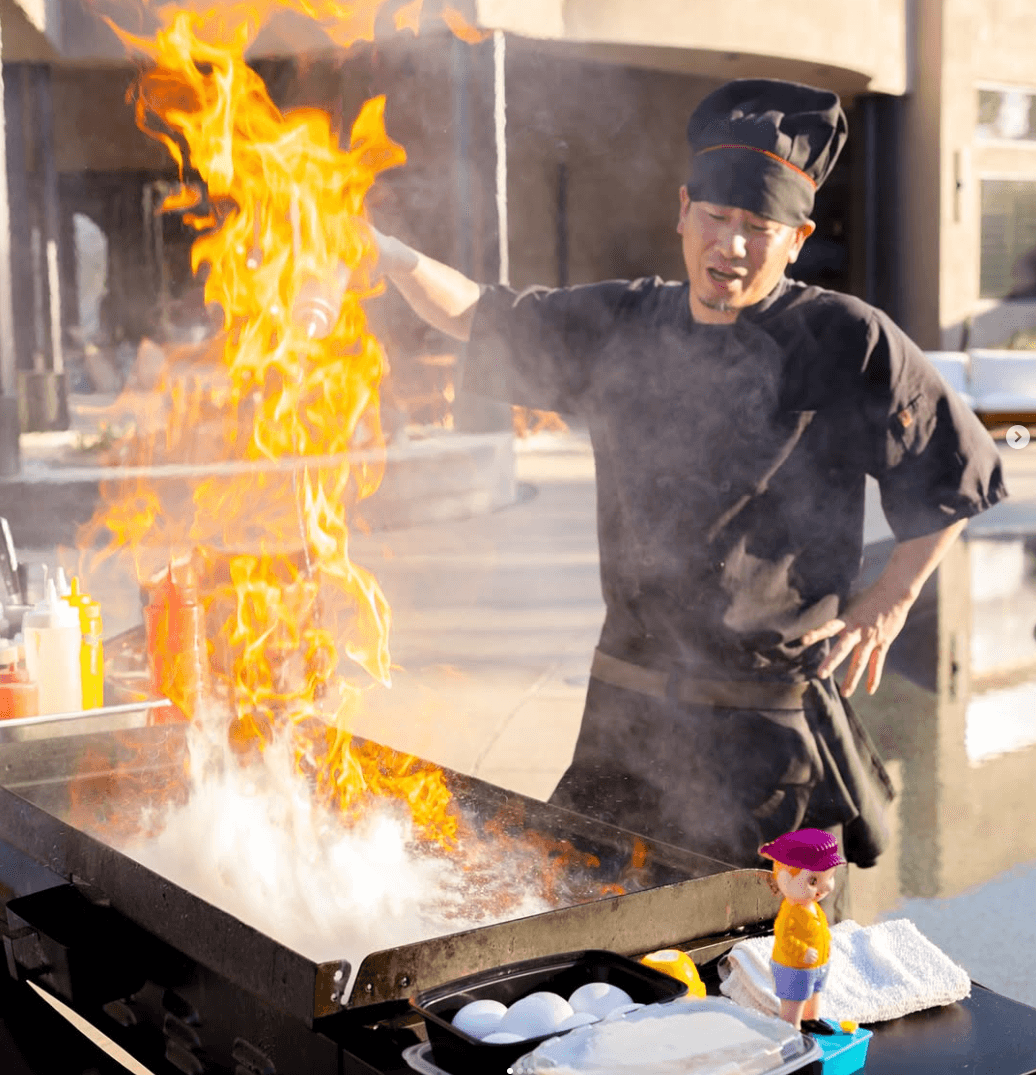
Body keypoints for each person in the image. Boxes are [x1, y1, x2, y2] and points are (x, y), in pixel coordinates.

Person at [370, 78, 1006, 876]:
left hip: (766, 746)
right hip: (626, 725)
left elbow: (955, 465)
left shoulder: (848, 340)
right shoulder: (625, 322)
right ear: (681, 212)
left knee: (757, 970)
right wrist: (388, 255)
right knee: (583, 948)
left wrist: (890, 602)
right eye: (714, 218)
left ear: (798, 237)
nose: (730, 245)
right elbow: (480, 314)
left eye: (757, 227)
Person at [759, 828, 845, 1032]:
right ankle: (791, 1028)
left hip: (816, 965)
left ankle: (810, 1019)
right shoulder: (790, 913)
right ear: (786, 880)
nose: (824, 888)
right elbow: (785, 937)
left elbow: (819, 930)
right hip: (793, 967)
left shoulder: (813, 907)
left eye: (829, 878)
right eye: (813, 881)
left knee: (814, 994)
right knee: (794, 999)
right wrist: (803, 951)